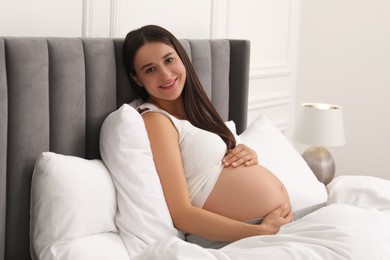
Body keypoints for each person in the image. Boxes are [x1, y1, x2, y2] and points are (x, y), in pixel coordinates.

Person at [122, 25, 293, 248]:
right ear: (137, 79)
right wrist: (257, 231)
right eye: (150, 70)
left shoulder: (198, 111)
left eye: (169, 60)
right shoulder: (157, 121)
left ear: (182, 58)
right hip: (236, 237)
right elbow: (181, 214)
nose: (165, 74)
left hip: (271, 228)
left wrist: (247, 152)